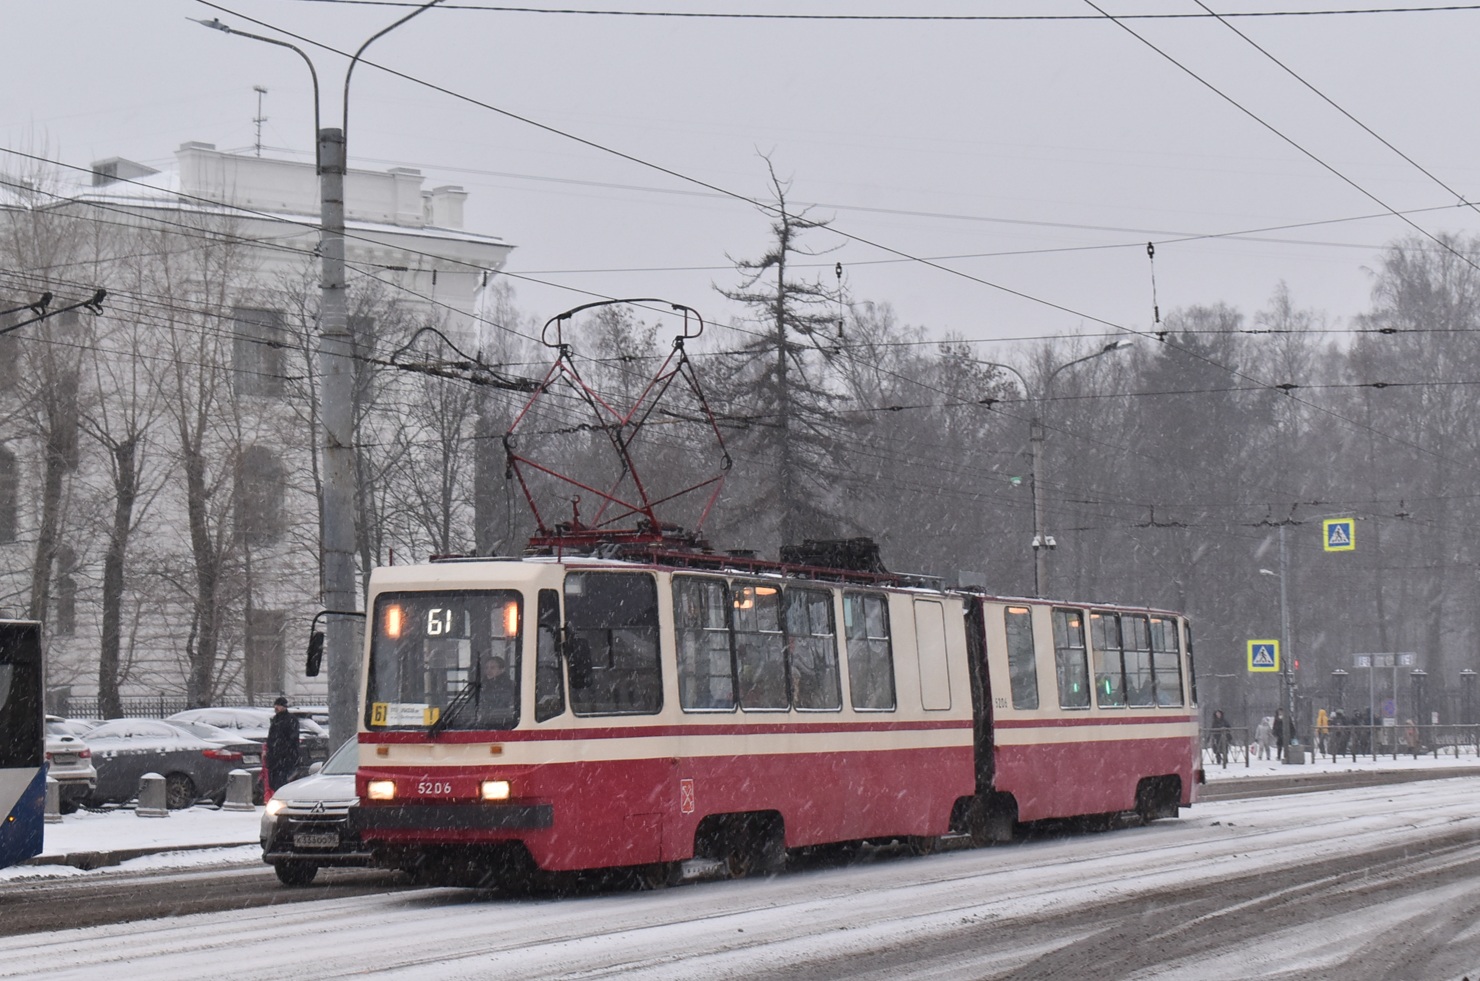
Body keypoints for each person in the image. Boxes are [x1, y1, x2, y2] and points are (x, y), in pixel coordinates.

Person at [265, 696, 301, 795]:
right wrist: (269, 750)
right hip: (275, 758)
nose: (276, 707)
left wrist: (283, 749)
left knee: (283, 782)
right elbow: (271, 737)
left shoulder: (290, 720)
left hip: (286, 757)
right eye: (275, 705)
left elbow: (292, 738)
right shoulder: (275, 720)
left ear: (284, 707)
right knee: (274, 782)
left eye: (279, 705)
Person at [475, 655, 516, 725]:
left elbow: (503, 703)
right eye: (486, 668)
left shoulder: (509, 685)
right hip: (484, 721)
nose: (488, 670)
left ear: (502, 669)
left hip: (503, 722)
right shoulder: (482, 685)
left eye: (492, 668)